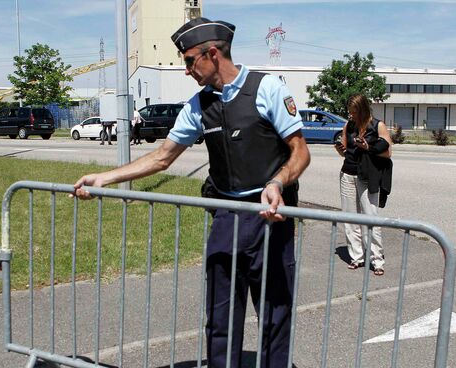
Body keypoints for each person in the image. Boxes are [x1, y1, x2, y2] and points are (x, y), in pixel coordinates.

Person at [73, 17, 310, 368]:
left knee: (275, 315)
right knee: (220, 317)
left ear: (211, 54)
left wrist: (277, 183)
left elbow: (300, 151)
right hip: (226, 216)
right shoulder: (199, 104)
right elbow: (163, 156)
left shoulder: (267, 88)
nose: (186, 70)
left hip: (270, 217)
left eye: (188, 61)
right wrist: (105, 178)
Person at [334, 93, 393, 276]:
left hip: (368, 176)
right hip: (348, 173)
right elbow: (346, 152)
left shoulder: (377, 125)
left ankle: (377, 259)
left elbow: (388, 153)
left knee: (370, 217)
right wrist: (340, 149)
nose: (351, 116)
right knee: (350, 218)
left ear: (363, 110)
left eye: (354, 112)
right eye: (349, 112)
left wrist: (369, 148)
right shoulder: (349, 125)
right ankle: (356, 257)